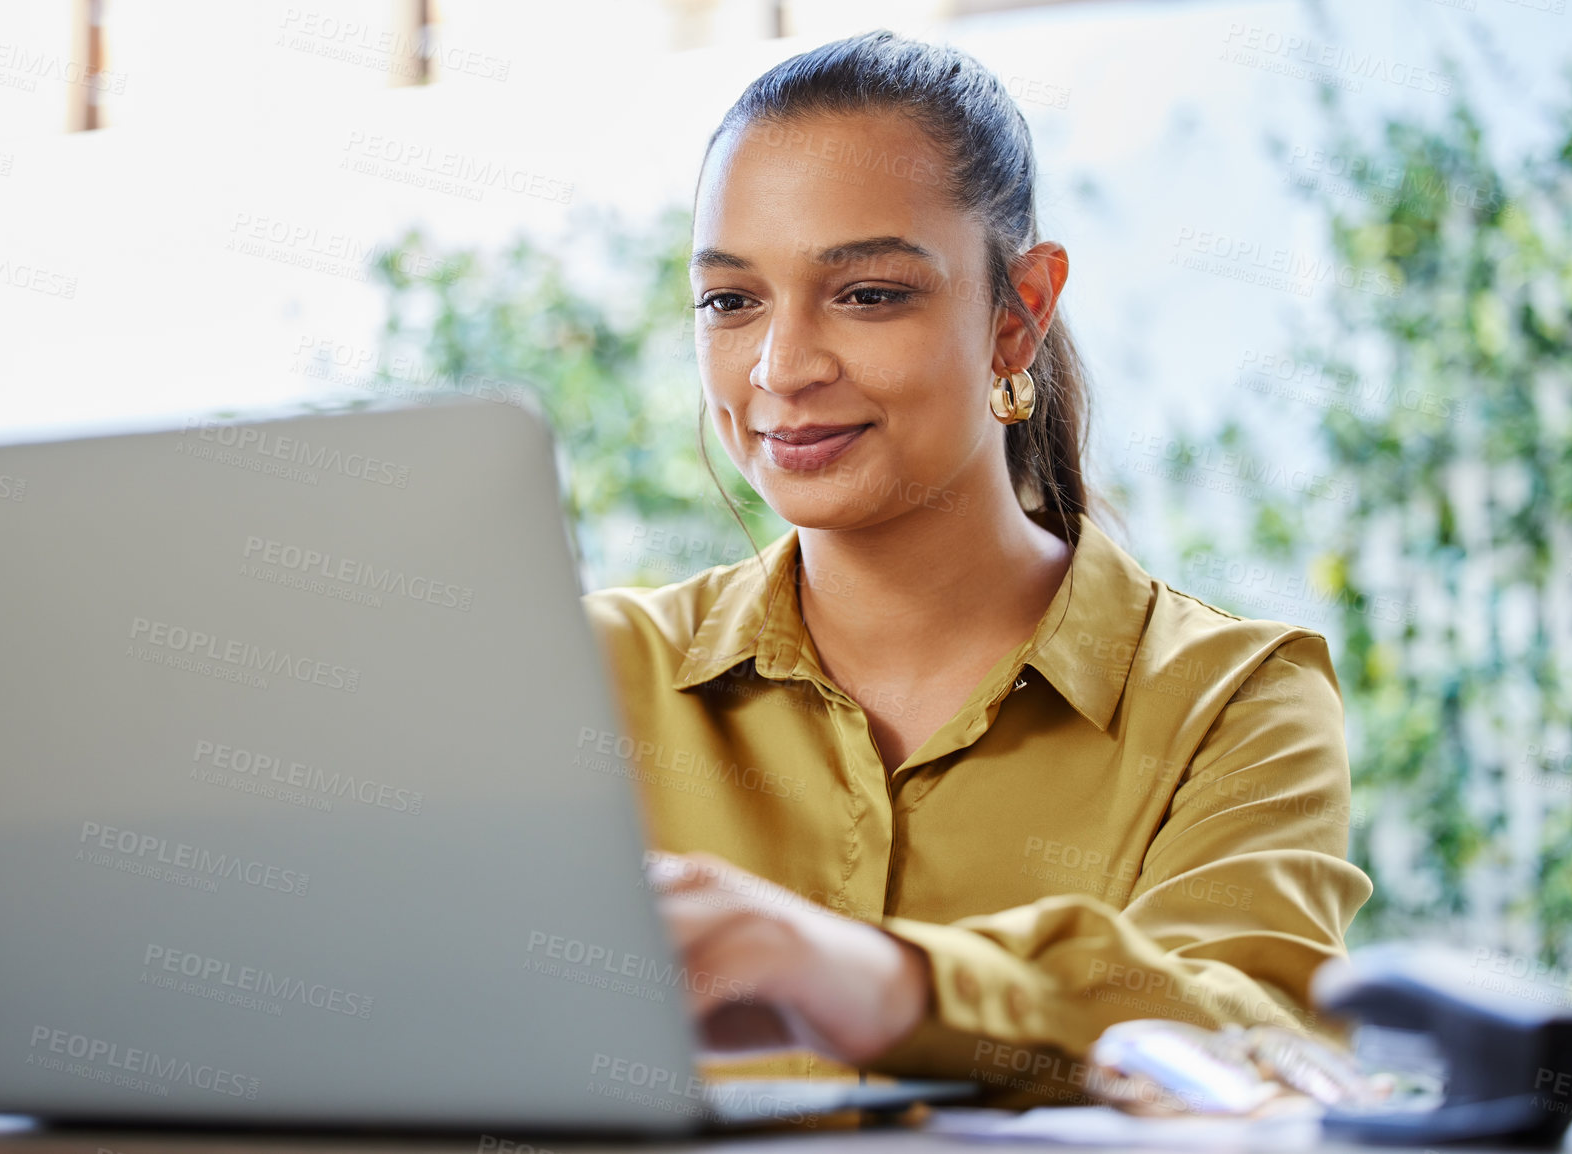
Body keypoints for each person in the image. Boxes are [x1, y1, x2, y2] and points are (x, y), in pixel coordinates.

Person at [581, 28, 1372, 1106]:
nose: (780, 367)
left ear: (1019, 314)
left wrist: (875, 979)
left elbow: (1249, 1030)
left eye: (867, 293)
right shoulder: (590, 674)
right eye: (731, 300)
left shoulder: (1232, 701)